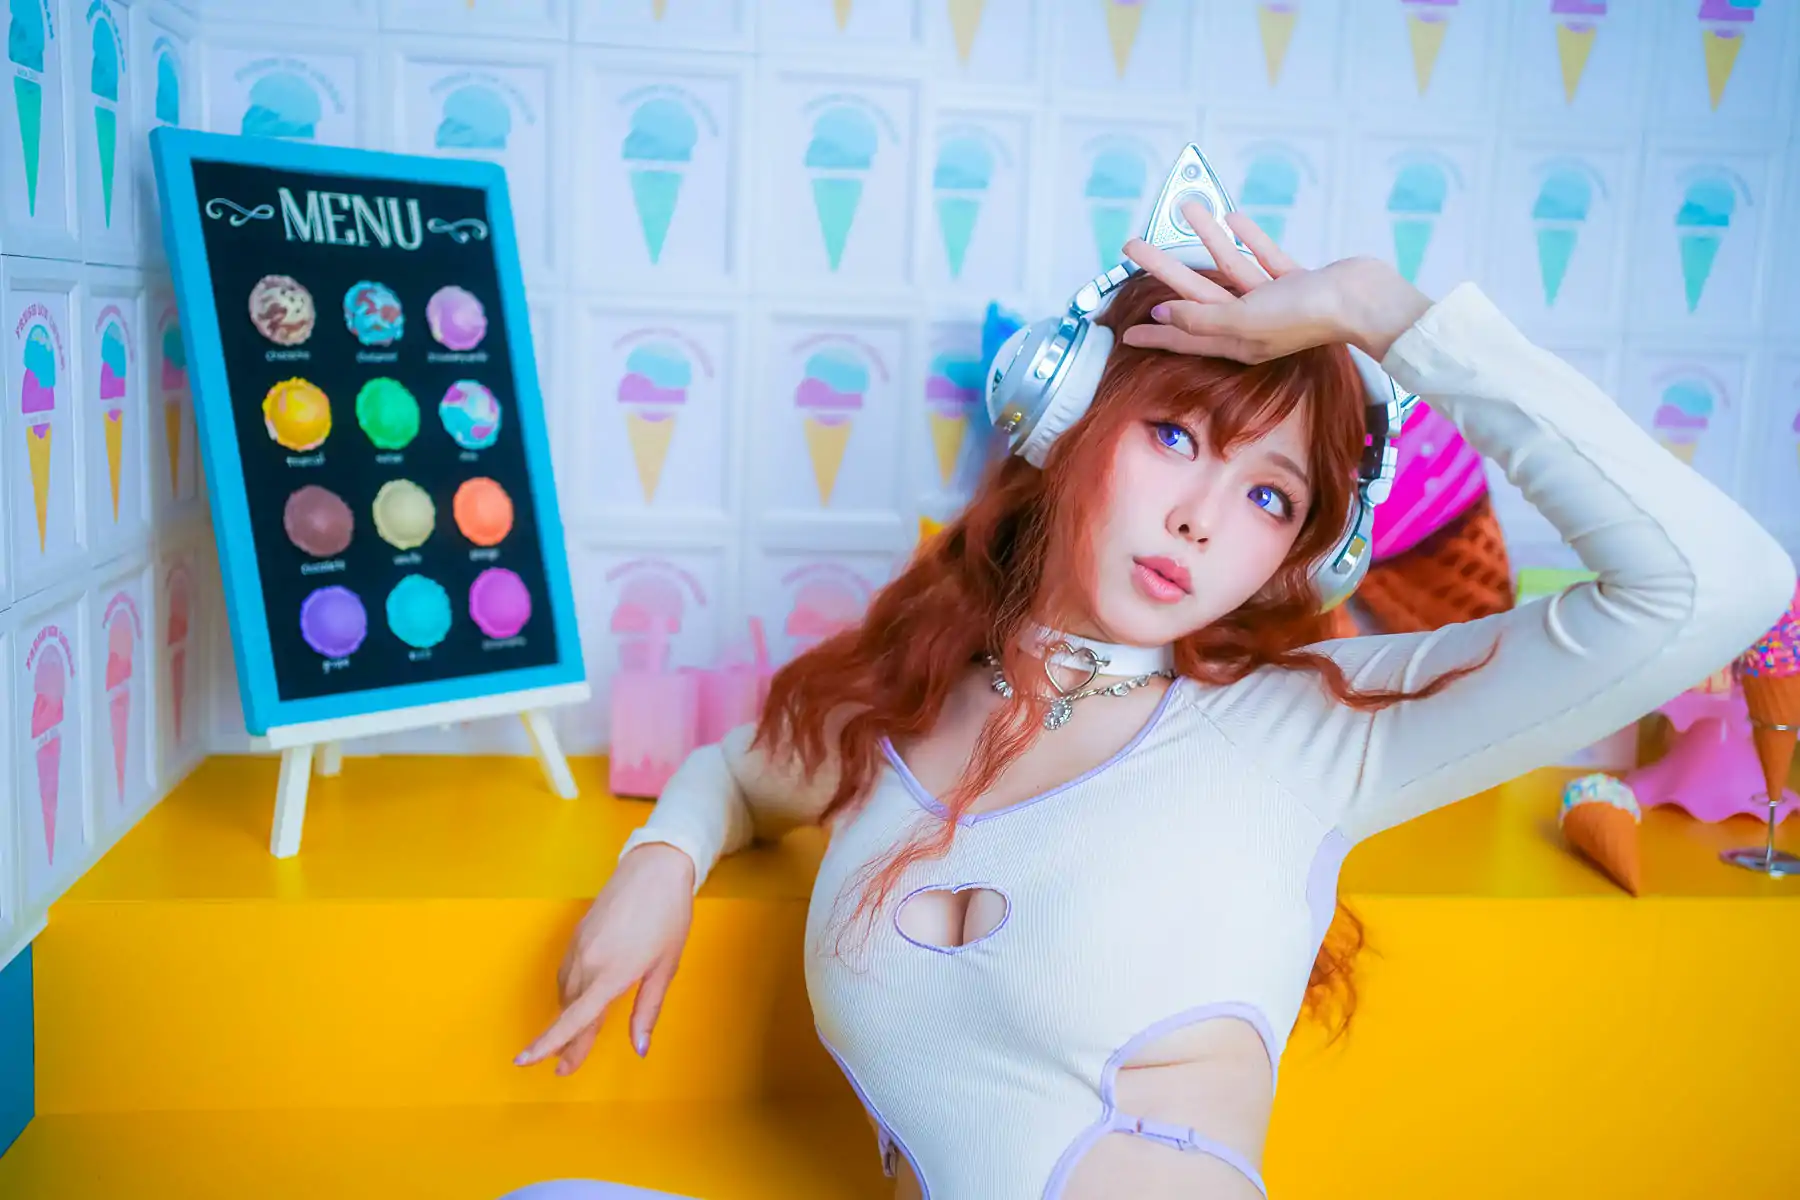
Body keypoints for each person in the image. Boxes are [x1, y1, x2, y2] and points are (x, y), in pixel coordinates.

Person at [514, 206, 1795, 1199]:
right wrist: (661, 862)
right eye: (1176, 436)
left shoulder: (1309, 731)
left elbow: (1716, 585)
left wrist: (1376, 307)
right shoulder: (911, 706)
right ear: (1066, 418)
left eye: (1270, 496)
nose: (1201, 516)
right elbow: (738, 773)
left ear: (1299, 553)